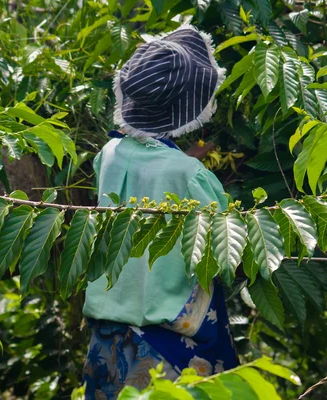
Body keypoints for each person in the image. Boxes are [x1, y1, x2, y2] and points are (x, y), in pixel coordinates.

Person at [81, 25, 238, 399]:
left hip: (107, 330)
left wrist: (181, 160)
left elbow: (144, 174)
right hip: (169, 342)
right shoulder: (191, 175)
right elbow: (225, 243)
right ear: (190, 107)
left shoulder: (108, 154)